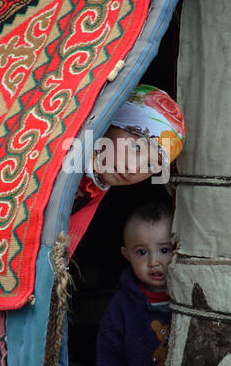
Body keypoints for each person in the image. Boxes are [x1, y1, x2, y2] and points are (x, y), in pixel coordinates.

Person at [68, 84, 186, 257]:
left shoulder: (93, 189)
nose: (132, 169)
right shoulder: (52, 157)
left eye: (151, 165)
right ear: (108, 123)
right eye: (135, 147)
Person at [95, 201, 174, 366]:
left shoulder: (193, 299)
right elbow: (109, 363)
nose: (154, 261)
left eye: (164, 250)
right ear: (127, 255)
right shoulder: (120, 308)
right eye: (141, 252)